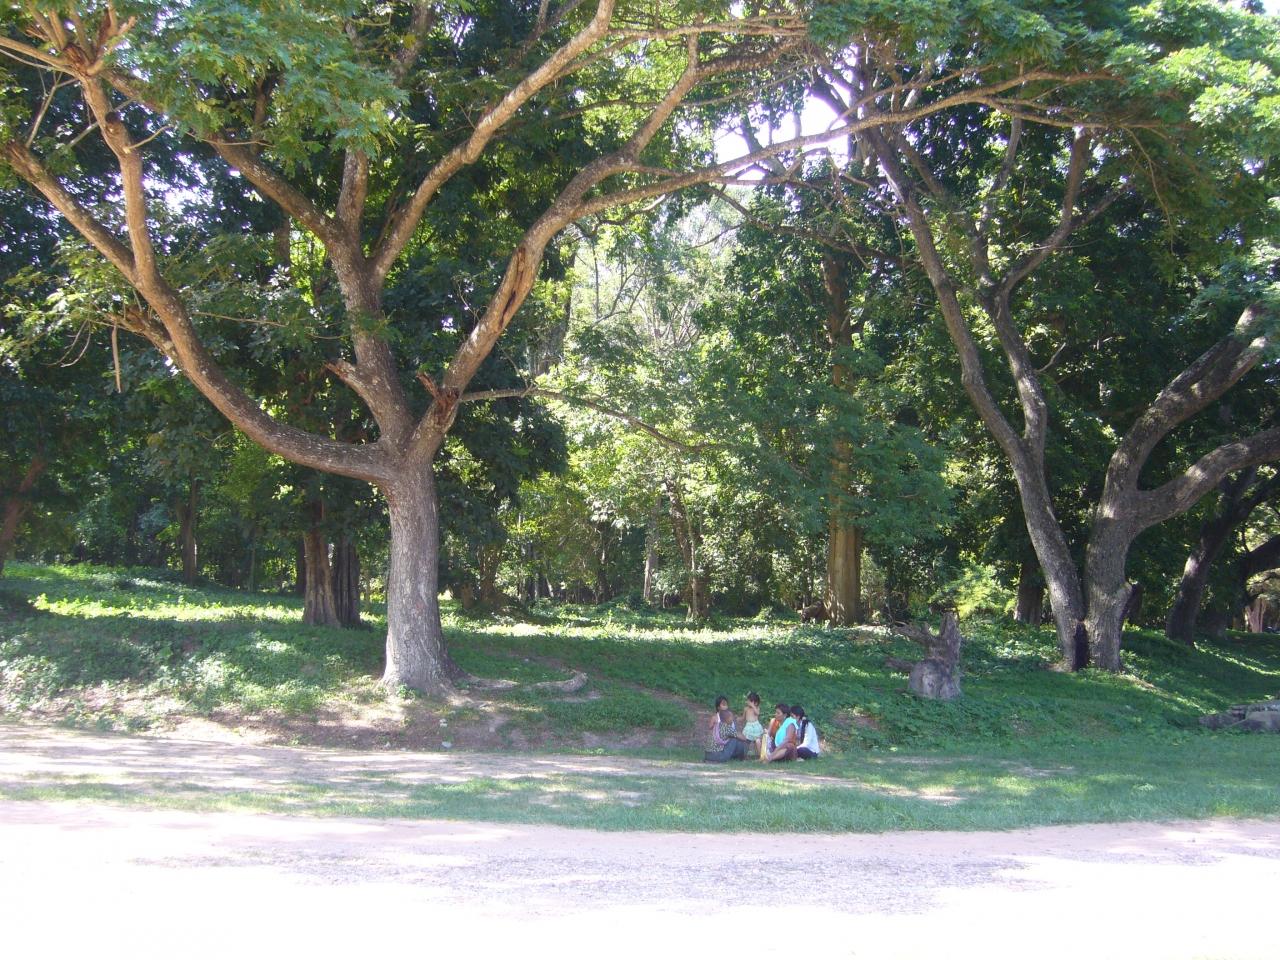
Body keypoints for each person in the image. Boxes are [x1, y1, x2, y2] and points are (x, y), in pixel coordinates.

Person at [704, 696, 748, 762]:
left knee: (734, 737)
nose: (732, 718)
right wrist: (738, 734)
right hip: (718, 756)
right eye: (731, 717)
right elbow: (744, 738)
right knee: (735, 738)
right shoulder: (727, 727)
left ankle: (735, 756)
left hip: (707, 755)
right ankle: (741, 758)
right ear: (727, 719)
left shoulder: (717, 725)